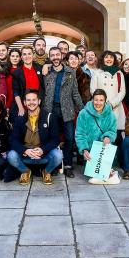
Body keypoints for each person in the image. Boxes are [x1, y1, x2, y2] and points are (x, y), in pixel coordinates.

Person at [43, 47, 84, 178]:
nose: (55, 57)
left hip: (67, 109)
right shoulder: (46, 72)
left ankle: (68, 165)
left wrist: (82, 109)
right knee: (53, 138)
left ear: (62, 56)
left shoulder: (70, 72)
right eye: (52, 55)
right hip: (51, 110)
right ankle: (55, 164)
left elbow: (75, 93)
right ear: (49, 57)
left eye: (57, 55)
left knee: (70, 138)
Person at [7, 89, 62, 185]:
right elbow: (13, 140)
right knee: (11, 155)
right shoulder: (19, 119)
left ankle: (47, 172)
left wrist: (42, 150)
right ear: (24, 102)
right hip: (26, 155)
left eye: (34, 100)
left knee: (58, 155)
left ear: (39, 101)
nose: (31, 102)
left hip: (43, 155)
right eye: (28, 100)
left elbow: (55, 139)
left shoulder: (50, 117)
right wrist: (25, 150)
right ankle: (25, 171)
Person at [75, 89, 117, 180]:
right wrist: (84, 150)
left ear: (105, 101)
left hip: (104, 150)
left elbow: (113, 131)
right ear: (92, 100)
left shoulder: (111, 115)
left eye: (101, 100)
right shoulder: (83, 114)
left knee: (105, 175)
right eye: (96, 100)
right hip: (90, 151)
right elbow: (80, 134)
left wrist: (108, 137)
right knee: (93, 175)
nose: (98, 103)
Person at [91, 50, 127, 155]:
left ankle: (117, 160)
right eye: (106, 57)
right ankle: (101, 161)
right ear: (102, 59)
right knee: (101, 133)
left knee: (116, 134)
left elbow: (122, 91)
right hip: (100, 107)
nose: (109, 59)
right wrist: (102, 103)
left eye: (111, 57)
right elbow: (93, 90)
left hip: (115, 107)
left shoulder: (119, 73)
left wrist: (112, 104)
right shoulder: (97, 72)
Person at [10, 45, 45, 122]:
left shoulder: (40, 68)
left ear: (33, 55)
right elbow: (16, 92)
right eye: (24, 54)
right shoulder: (16, 73)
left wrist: (47, 65)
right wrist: (20, 107)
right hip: (25, 105)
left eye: (29, 54)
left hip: (39, 105)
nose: (27, 56)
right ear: (21, 57)